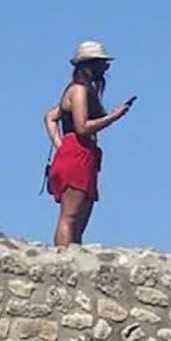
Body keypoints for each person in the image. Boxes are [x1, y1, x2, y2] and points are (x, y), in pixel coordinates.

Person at [43, 41, 133, 246]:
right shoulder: (79, 91)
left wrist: (61, 146)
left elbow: (50, 116)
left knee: (79, 217)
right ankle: (63, 257)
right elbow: (82, 126)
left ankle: (71, 254)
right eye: (100, 64)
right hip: (77, 153)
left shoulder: (79, 91)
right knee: (70, 216)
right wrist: (113, 117)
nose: (104, 69)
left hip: (80, 153)